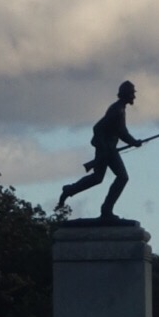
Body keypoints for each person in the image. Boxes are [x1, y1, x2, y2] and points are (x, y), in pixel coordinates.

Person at [57, 80, 142, 220]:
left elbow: (121, 131)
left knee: (97, 178)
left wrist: (133, 142)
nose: (134, 97)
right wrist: (129, 143)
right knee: (122, 177)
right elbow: (98, 128)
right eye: (132, 93)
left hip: (109, 148)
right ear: (126, 94)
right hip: (107, 149)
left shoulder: (120, 109)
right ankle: (106, 210)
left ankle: (69, 190)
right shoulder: (116, 109)